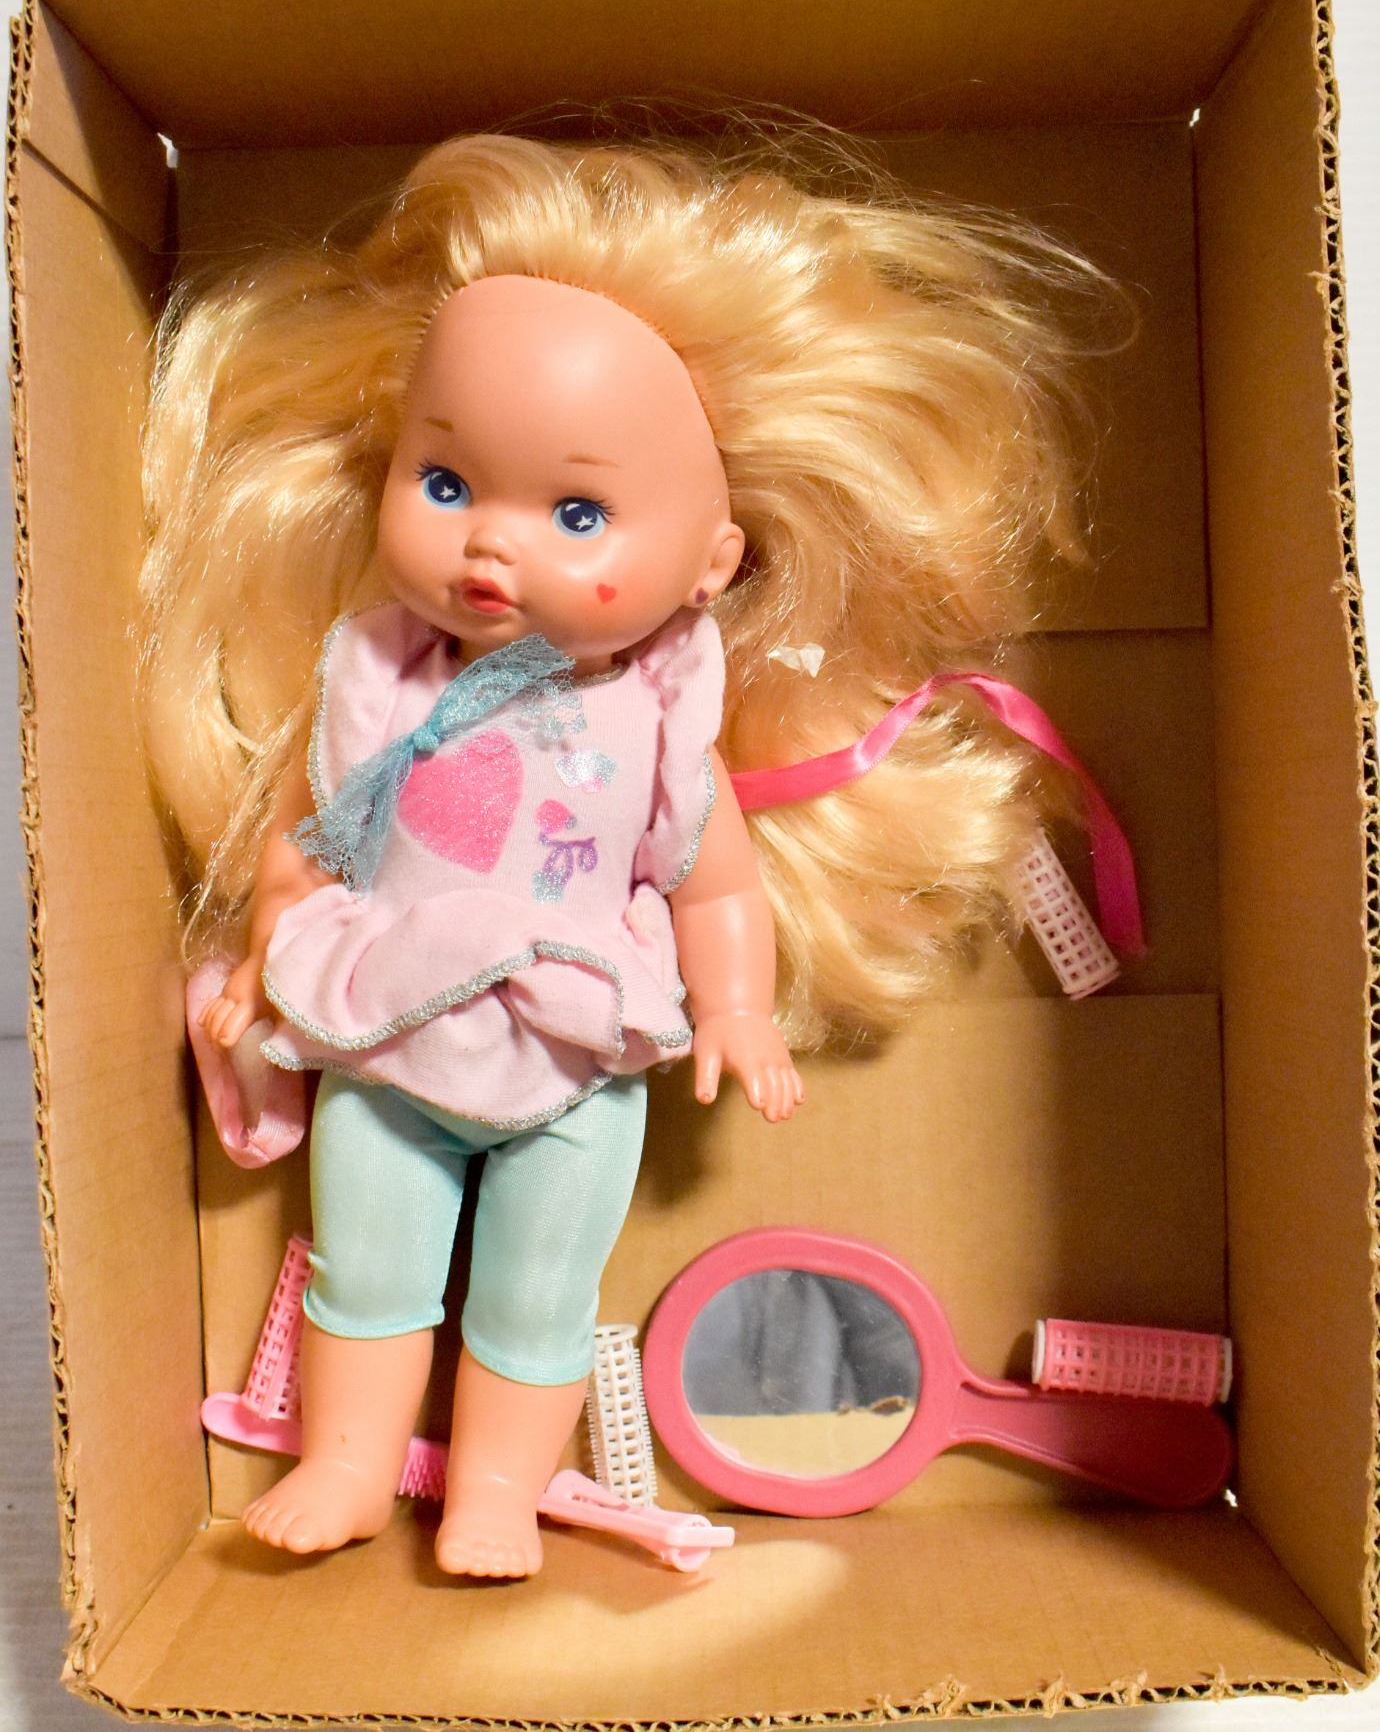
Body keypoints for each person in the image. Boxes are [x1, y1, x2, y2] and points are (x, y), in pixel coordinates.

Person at [137, 128, 1107, 1577]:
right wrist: (264, 952)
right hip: (390, 1034)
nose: (491, 549)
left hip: (581, 1055)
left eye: (577, 514)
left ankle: (495, 1493)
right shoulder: (373, 679)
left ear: (712, 561)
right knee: (368, 1269)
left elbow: (716, 882)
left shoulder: (655, 729)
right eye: (446, 481)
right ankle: (344, 1466)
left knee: (537, 1295)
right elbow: (315, 837)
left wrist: (735, 1009)